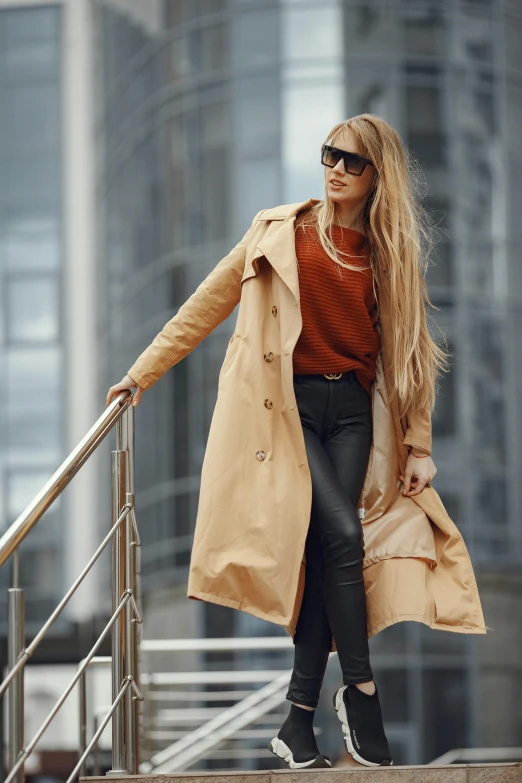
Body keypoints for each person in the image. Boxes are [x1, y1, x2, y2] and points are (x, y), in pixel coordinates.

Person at [107, 115, 448, 770]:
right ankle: (362, 690)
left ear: (379, 176)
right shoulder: (278, 230)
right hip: (286, 414)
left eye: (352, 162)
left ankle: (296, 722)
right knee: (342, 537)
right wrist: (140, 373)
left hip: (352, 411)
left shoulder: (388, 252)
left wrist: (418, 444)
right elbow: (204, 305)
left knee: (330, 552)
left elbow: (411, 353)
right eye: (330, 155)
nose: (336, 169)